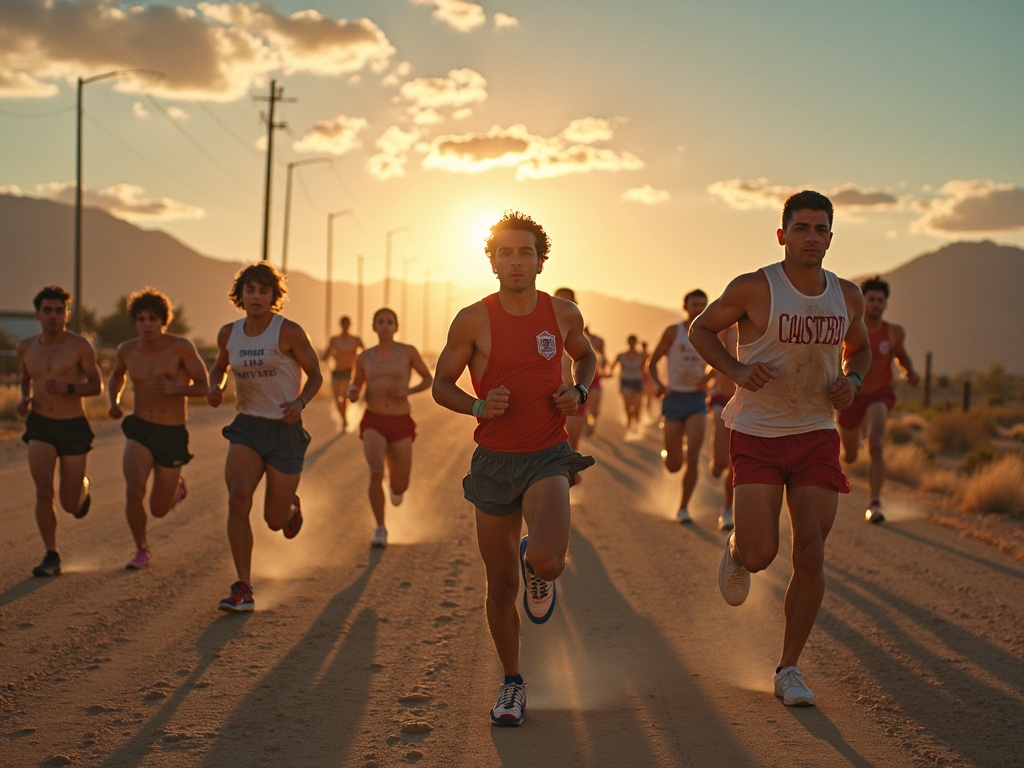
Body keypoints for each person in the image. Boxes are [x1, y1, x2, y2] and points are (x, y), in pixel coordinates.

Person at [689, 190, 870, 707]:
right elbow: (703, 331)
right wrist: (738, 371)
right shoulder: (754, 287)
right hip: (759, 434)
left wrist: (853, 380)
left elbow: (860, 349)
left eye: (820, 229)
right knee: (762, 553)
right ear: (782, 234)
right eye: (802, 228)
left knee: (810, 553)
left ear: (831, 238)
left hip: (815, 433)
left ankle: (789, 668)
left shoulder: (847, 295)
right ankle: (737, 552)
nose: (811, 237)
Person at [432, 211, 596, 727]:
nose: (516, 260)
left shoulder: (563, 313)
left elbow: (586, 358)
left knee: (547, 562)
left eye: (525, 251)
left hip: (548, 452)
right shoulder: (473, 319)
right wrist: (478, 407)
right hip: (494, 462)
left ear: (540, 260)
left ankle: (537, 566)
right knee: (499, 584)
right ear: (492, 261)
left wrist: (580, 390)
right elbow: (442, 385)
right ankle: (512, 682)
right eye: (506, 252)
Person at [207, 263, 323, 612]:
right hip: (248, 425)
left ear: (274, 296)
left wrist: (300, 403)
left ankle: (289, 510)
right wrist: (217, 384)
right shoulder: (229, 333)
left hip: (284, 429)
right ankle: (243, 586)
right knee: (238, 501)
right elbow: (219, 365)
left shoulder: (288, 332)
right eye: (250, 290)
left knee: (274, 521)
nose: (256, 297)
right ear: (240, 295)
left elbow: (316, 375)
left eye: (263, 291)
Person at [107, 288, 210, 570]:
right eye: (141, 319)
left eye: (153, 319)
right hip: (140, 428)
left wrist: (175, 388)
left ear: (164, 321)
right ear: (135, 322)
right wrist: (114, 401)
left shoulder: (180, 348)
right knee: (133, 490)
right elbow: (116, 377)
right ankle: (141, 550)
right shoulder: (127, 350)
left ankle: (176, 486)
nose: (147, 325)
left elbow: (206, 387)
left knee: (158, 509)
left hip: (171, 433)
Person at [16, 285, 102, 577]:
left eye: (60, 310)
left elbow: (96, 385)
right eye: (48, 310)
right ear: (38, 314)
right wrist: (24, 399)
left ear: (67, 314)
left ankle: (82, 491)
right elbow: (26, 378)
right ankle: (51, 554)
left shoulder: (79, 346)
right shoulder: (26, 347)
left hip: (73, 426)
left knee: (69, 503)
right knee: (43, 491)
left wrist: (68, 388)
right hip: (40, 424)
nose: (54, 316)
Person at [347, 307, 432, 548]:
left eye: (389, 321)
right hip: (374, 420)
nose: (385, 325)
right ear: (374, 327)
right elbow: (356, 385)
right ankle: (381, 528)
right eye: (380, 321)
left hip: (401, 421)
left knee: (399, 485)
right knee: (375, 472)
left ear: (396, 327)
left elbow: (428, 378)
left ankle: (395, 488)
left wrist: (408, 390)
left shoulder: (408, 352)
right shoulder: (364, 357)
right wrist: (352, 393)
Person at [838, 276, 919, 523]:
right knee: (850, 457)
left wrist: (910, 371)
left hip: (879, 395)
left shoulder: (894, 333)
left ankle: (874, 504)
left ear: (886, 304)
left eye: (880, 300)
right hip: (851, 397)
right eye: (870, 299)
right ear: (863, 301)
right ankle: (853, 445)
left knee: (876, 444)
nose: (875, 304)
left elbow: (902, 356)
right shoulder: (847, 329)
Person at [649, 290, 713, 523]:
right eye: (694, 304)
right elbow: (652, 362)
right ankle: (677, 452)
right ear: (685, 307)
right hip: (674, 398)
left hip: (696, 400)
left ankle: (684, 507)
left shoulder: (710, 333)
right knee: (674, 465)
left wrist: (707, 378)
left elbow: (722, 359)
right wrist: (658, 384)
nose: (699, 309)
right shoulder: (672, 332)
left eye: (703, 305)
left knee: (695, 456)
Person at [708, 324, 738, 531]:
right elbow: (713, 358)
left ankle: (727, 509)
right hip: (721, 399)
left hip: (745, 402)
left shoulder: (763, 323)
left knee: (735, 460)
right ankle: (716, 462)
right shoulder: (726, 330)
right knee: (721, 462)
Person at [553, 288, 588, 457]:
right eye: (558, 301)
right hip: (548, 396)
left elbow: (587, 358)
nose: (562, 306)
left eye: (567, 302)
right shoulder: (538, 329)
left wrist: (579, 390)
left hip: (573, 394)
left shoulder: (579, 334)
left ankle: (569, 473)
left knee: (571, 448)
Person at [323, 315, 364, 431]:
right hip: (336, 372)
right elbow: (327, 356)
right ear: (340, 325)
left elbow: (366, 353)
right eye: (343, 323)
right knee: (337, 399)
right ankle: (344, 419)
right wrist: (327, 354)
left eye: (347, 323)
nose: (345, 326)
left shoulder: (356, 340)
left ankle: (345, 420)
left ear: (349, 325)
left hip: (349, 372)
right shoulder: (334, 340)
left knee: (345, 397)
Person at [609, 335, 647, 437]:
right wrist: (610, 373)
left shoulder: (641, 356)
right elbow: (613, 366)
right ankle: (629, 423)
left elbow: (646, 369)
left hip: (637, 382)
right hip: (625, 381)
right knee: (627, 405)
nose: (632, 344)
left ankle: (637, 425)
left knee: (637, 406)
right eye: (630, 342)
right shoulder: (621, 355)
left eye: (634, 342)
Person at [583, 323, 606, 436]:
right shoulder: (575, 338)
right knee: (583, 404)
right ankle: (587, 423)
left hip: (595, 378)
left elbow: (604, 358)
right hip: (580, 378)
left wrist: (604, 370)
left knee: (594, 408)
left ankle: (593, 423)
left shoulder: (597, 341)